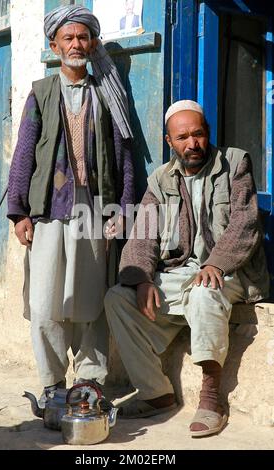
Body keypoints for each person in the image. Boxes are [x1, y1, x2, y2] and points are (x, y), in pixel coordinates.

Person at [105, 100, 269, 437]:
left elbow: (245, 222)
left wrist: (216, 263)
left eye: (198, 135)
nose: (191, 144)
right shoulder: (160, 179)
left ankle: (211, 398)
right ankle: (156, 394)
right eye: (182, 138)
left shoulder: (235, 163)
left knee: (206, 290)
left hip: (230, 272)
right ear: (169, 141)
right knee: (117, 298)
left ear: (207, 134)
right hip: (179, 272)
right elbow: (144, 234)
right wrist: (140, 278)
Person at [7, 5, 135, 406]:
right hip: (49, 207)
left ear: (92, 43)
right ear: (54, 45)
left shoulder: (106, 93)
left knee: (91, 299)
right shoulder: (42, 93)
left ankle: (90, 382)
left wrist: (125, 207)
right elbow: (24, 154)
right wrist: (19, 212)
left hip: (95, 208)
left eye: (83, 37)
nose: (76, 44)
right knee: (45, 301)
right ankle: (52, 383)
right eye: (69, 38)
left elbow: (124, 157)